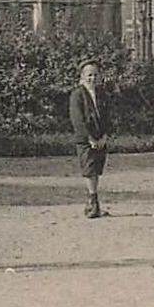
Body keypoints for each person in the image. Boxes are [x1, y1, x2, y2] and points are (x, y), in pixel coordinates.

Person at [69, 59, 108, 219]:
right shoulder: (77, 94)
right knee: (89, 169)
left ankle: (94, 202)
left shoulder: (102, 94)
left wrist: (105, 135)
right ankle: (92, 201)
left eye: (95, 75)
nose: (92, 78)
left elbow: (108, 115)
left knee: (97, 169)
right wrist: (89, 137)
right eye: (89, 75)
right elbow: (77, 119)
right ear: (82, 76)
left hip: (100, 137)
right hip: (86, 139)